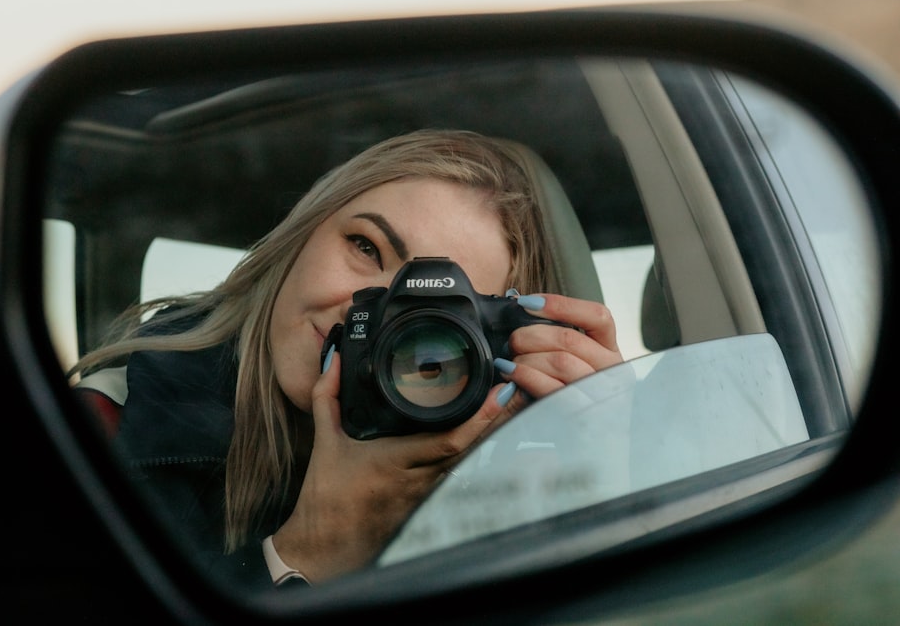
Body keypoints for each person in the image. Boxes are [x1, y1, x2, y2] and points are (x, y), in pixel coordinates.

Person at [71, 129, 623, 589]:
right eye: (365, 248)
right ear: (299, 238)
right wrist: (315, 547)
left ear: (497, 353)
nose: (373, 316)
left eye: (433, 312)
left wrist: (606, 475)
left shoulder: (487, 482)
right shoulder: (108, 425)